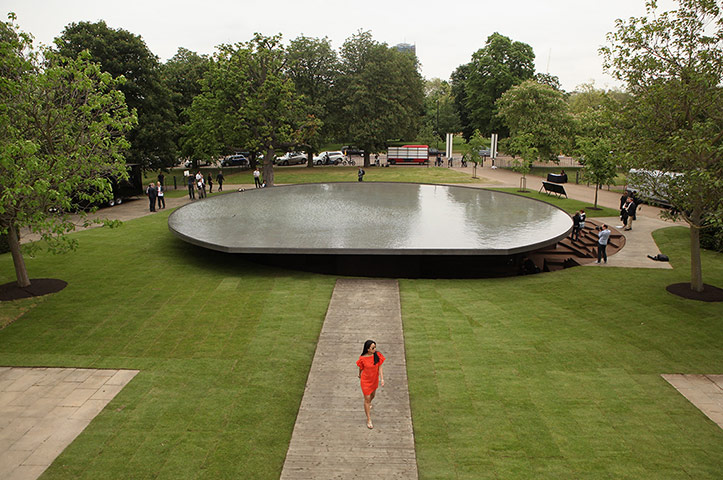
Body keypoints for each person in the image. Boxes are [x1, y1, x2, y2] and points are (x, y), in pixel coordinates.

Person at [356, 340, 385, 429]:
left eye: (375, 347)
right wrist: (359, 374)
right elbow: (361, 367)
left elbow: (380, 367)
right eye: (373, 348)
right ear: (368, 349)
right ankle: (368, 419)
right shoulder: (362, 358)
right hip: (365, 380)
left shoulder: (377, 355)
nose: (374, 349)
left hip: (374, 379)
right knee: (367, 399)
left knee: (373, 395)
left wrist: (382, 378)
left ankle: (369, 404)